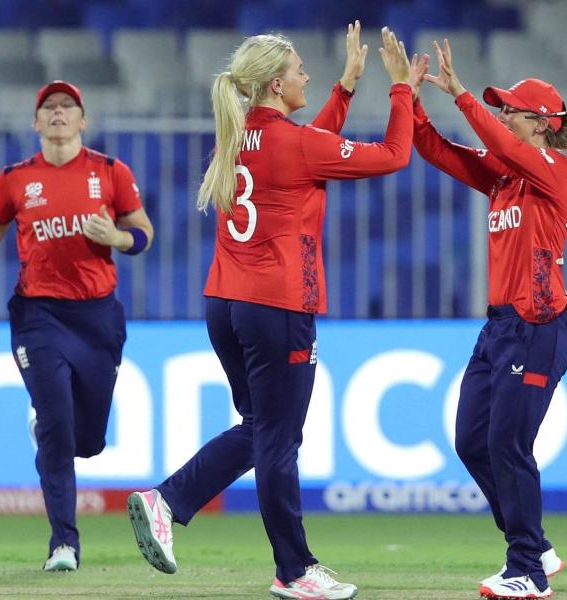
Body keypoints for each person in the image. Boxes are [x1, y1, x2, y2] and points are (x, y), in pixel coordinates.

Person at [126, 22, 426, 600]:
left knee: (262, 431)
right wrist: (399, 90)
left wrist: (344, 87)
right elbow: (394, 155)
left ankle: (168, 501)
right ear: (273, 83)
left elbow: (308, 148)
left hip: (225, 303)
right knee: (279, 440)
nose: (306, 76)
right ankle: (294, 570)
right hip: (278, 304)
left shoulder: (236, 139)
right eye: (298, 70)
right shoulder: (295, 143)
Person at [411, 39, 567, 600]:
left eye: (511, 108)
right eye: (501, 107)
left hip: (540, 323)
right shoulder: (504, 178)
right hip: (500, 327)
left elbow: (494, 141)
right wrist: (408, 96)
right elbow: (437, 150)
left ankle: (529, 572)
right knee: (472, 439)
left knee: (509, 444)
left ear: (540, 123)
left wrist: (462, 95)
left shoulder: (554, 171)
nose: (502, 115)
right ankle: (534, 544)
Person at [0, 80, 154, 572]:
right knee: (58, 428)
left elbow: (144, 232)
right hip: (38, 316)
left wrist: (118, 237)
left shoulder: (110, 172)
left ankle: (52, 430)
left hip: (97, 316)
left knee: (90, 441)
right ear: (35, 123)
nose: (59, 114)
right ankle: (64, 544)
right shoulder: (16, 178)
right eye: (49, 108)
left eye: (68, 107)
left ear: (84, 120)